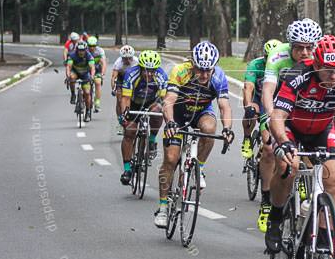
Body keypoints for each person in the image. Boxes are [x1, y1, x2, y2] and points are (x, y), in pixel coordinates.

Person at [265, 35, 335, 259]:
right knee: (287, 167)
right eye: (328, 71)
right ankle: (276, 216)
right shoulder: (297, 76)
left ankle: (323, 242)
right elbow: (278, 117)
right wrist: (283, 142)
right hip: (291, 129)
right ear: (316, 64)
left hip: (322, 129)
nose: (334, 77)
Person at [154, 41, 234, 228]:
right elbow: (169, 100)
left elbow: (224, 106)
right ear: (192, 64)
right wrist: (171, 123)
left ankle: (200, 166)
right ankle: (163, 208)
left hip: (201, 111)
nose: (205, 75)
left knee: (209, 129)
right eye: (200, 70)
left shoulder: (219, 76)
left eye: (208, 70)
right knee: (171, 159)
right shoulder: (180, 71)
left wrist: (228, 128)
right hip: (178, 114)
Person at [257, 19, 323, 232]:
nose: (305, 53)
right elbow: (268, 90)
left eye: (309, 47)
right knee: (270, 150)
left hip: (306, 111)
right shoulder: (278, 55)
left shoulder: (319, 60)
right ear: (290, 45)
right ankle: (269, 200)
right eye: (299, 48)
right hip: (279, 108)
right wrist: (269, 118)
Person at [118, 50, 167, 185]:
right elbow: (126, 98)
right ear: (140, 67)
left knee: (159, 110)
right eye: (146, 70)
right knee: (130, 132)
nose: (149, 74)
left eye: (152, 71)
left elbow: (165, 99)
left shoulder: (161, 75)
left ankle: (151, 140)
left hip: (151, 103)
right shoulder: (131, 74)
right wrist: (124, 114)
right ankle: (127, 169)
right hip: (133, 103)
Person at [241, 39, 282, 160]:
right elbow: (248, 87)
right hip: (257, 97)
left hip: (275, 100)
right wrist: (248, 106)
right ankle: (247, 138)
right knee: (252, 112)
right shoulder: (255, 64)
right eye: (266, 57)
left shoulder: (285, 66)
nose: (269, 60)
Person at [65, 40, 96, 122]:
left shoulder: (89, 56)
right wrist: (68, 76)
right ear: (76, 50)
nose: (81, 52)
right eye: (79, 50)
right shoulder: (72, 55)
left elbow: (92, 67)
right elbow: (68, 67)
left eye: (83, 50)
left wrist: (92, 77)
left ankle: (88, 112)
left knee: (86, 93)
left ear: (86, 50)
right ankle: (73, 94)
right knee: (72, 78)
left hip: (85, 74)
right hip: (75, 72)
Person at [111, 45, 138, 134]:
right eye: (125, 58)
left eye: (129, 58)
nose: (127, 60)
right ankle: (120, 122)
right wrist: (113, 88)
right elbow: (114, 77)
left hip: (134, 79)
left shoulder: (137, 61)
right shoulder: (118, 62)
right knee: (119, 100)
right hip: (122, 80)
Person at [86, 35, 107, 112]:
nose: (92, 47)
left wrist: (103, 74)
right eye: (90, 46)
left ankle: (97, 102)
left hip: (97, 70)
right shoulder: (85, 51)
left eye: (93, 46)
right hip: (86, 70)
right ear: (87, 45)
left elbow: (104, 63)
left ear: (96, 45)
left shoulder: (100, 51)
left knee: (97, 83)